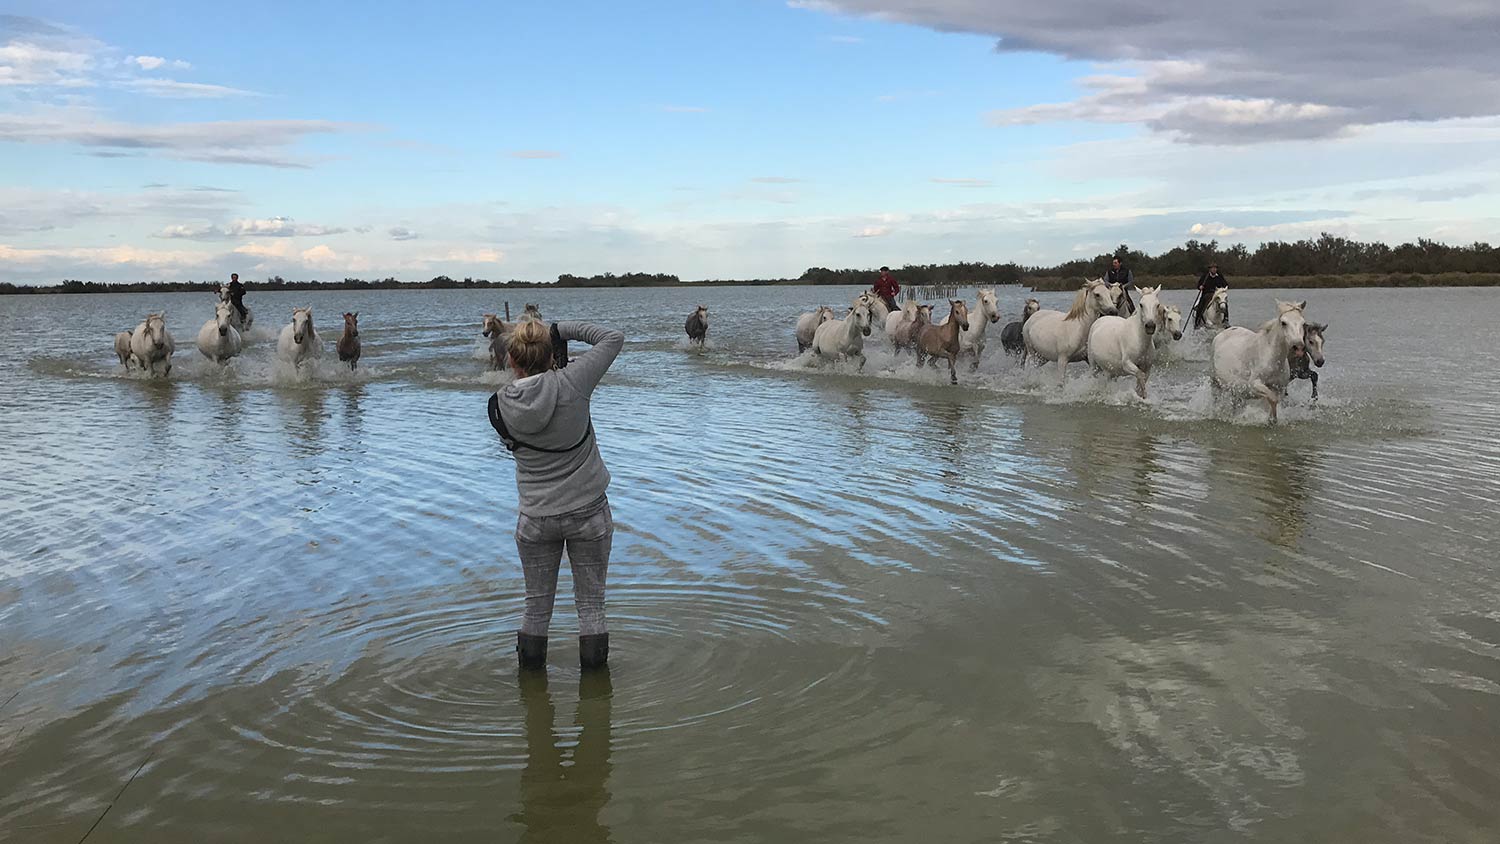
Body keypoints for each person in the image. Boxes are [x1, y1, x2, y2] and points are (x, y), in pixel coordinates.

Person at [491, 318, 624, 671]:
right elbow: (612, 337)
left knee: (535, 607)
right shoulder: (575, 381)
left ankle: (531, 690)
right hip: (589, 512)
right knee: (592, 606)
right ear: (552, 355)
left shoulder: (497, 406)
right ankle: (596, 694)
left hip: (535, 517)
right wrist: (561, 328)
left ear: (510, 360)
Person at [1193, 262, 1228, 329]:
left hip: (1217, 293)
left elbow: (1225, 284)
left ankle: (1226, 319)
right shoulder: (1205, 276)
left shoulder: (1219, 276)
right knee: (1201, 304)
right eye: (1212, 268)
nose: (1214, 270)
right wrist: (1200, 287)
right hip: (1207, 293)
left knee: (1224, 302)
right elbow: (1199, 285)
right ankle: (1197, 321)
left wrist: (1224, 289)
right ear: (1210, 269)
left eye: (1215, 268)